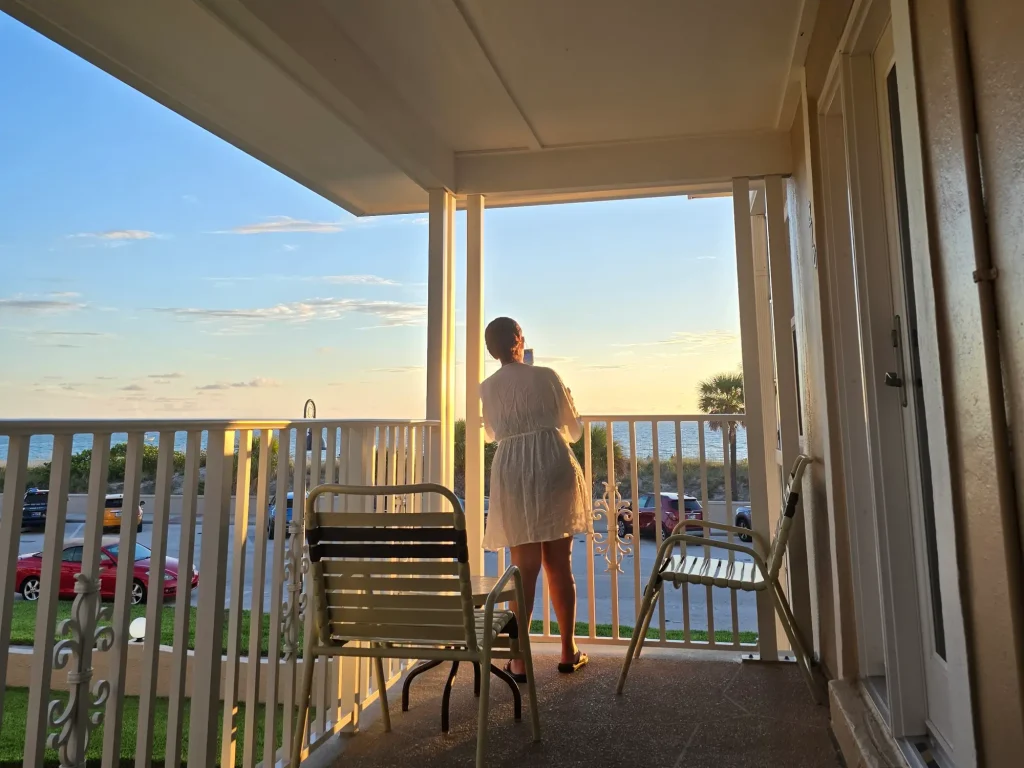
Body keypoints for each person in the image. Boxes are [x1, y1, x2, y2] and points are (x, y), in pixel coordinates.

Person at [480, 316, 591, 680]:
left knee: (523, 569)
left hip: (512, 471)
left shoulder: (487, 387)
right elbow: (573, 430)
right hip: (551, 464)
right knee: (558, 564)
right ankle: (567, 650)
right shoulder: (546, 375)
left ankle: (519, 659)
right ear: (520, 340)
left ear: (491, 350)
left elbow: (492, 433)